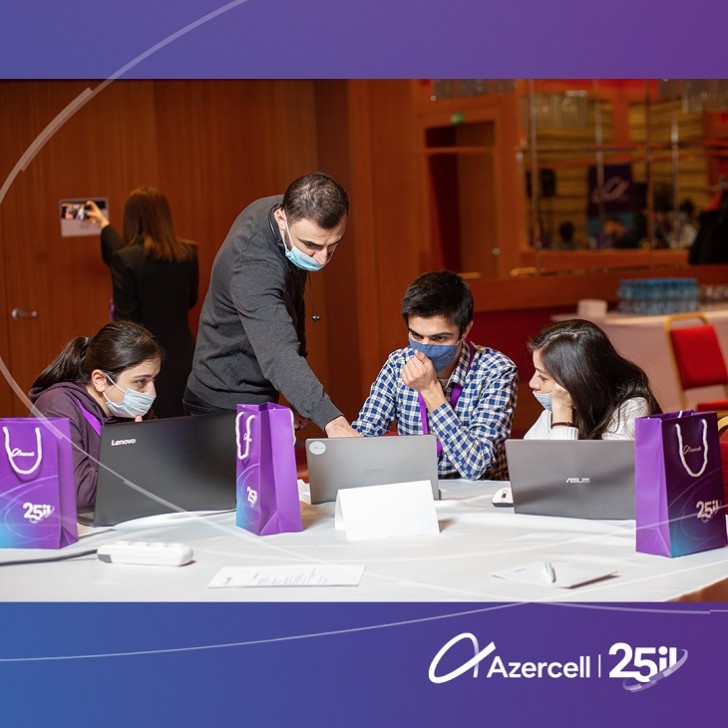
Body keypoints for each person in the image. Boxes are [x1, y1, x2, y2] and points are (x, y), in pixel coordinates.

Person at [183, 172, 358, 437]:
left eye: (332, 245)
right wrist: (334, 422)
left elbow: (292, 309)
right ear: (282, 219)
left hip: (260, 390)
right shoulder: (252, 266)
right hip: (221, 403)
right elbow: (279, 354)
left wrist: (299, 396)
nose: (322, 259)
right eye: (311, 245)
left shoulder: (292, 214)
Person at [352, 271, 518, 480]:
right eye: (416, 335)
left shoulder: (496, 370)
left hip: (480, 493)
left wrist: (430, 391)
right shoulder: (397, 363)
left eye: (439, 338)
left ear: (466, 330)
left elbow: (477, 467)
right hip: (418, 488)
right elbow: (364, 436)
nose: (425, 347)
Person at [85, 188, 198, 418]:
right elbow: (191, 301)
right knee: (182, 421)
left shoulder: (126, 259)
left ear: (130, 218)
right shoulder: (188, 254)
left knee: (150, 425)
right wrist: (104, 226)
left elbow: (125, 319)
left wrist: (104, 226)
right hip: (184, 355)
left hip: (142, 361)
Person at [29, 321, 164, 509]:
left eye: (153, 380)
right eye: (141, 381)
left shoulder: (132, 408)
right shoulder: (56, 406)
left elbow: (166, 471)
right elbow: (79, 491)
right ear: (100, 380)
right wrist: (140, 470)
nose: (151, 392)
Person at [525, 319, 660, 440]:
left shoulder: (632, 406)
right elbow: (530, 455)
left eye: (543, 377)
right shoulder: (554, 408)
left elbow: (571, 461)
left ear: (576, 379)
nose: (532, 383)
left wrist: (562, 415)